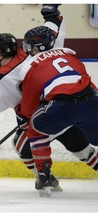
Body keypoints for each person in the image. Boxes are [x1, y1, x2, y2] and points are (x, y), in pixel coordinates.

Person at [0, 4, 98, 191]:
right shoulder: (40, 50)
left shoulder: (2, 77)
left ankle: (46, 178)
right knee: (80, 144)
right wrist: (51, 12)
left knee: (24, 142)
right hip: (79, 100)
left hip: (50, 112)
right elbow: (53, 27)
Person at [18, 25, 98, 196]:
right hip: (91, 100)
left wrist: (26, 118)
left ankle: (44, 174)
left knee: (35, 129)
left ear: (36, 47)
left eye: (28, 45)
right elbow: (86, 81)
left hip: (62, 106)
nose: (27, 49)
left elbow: (28, 106)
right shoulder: (70, 55)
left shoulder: (30, 66)